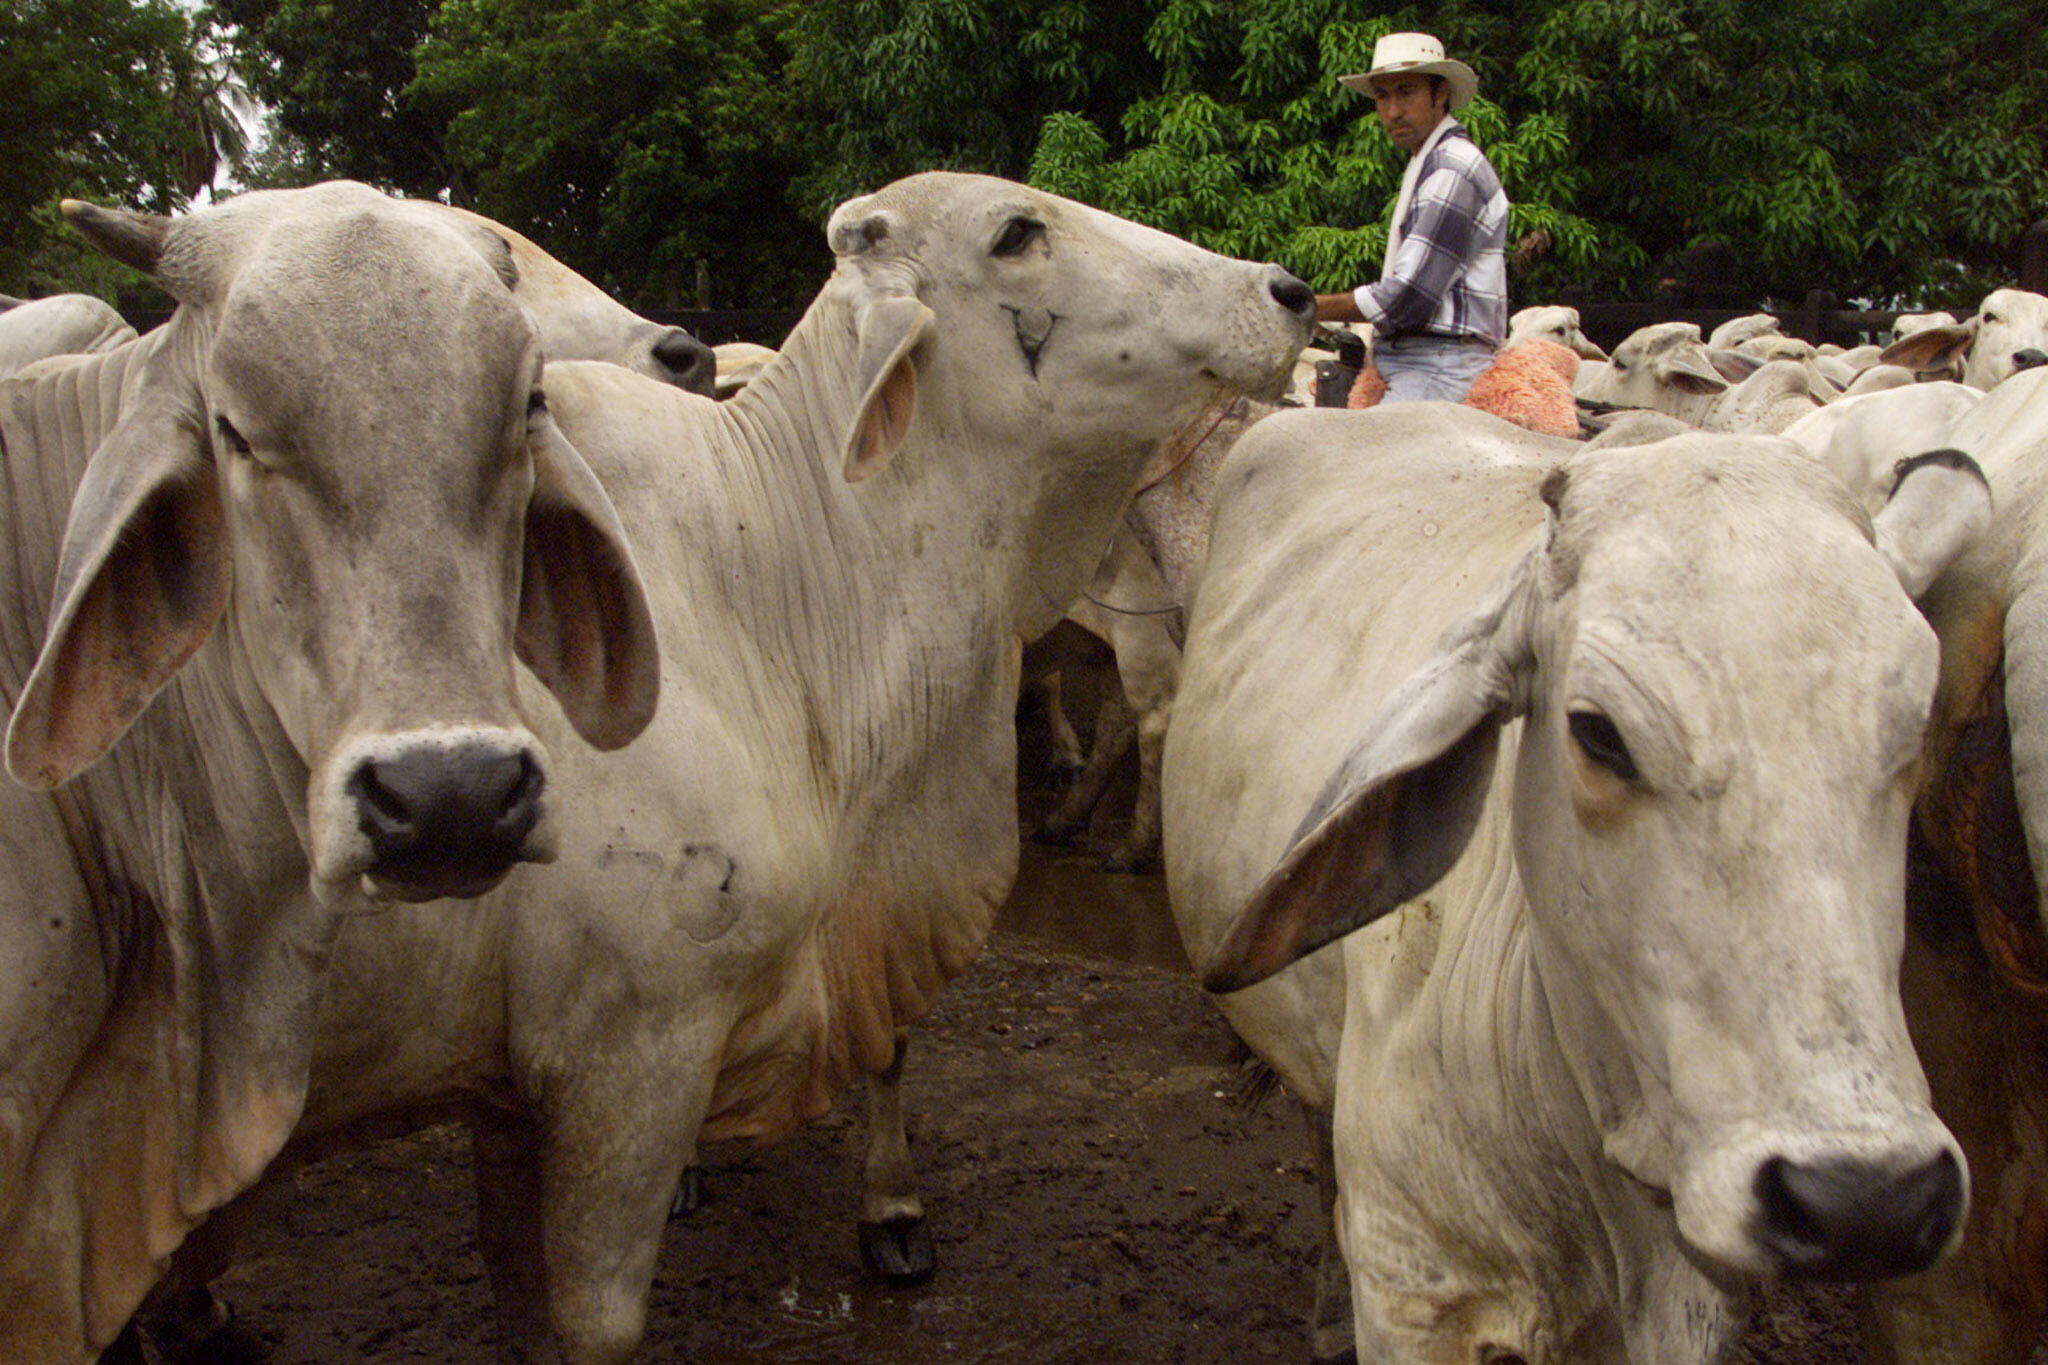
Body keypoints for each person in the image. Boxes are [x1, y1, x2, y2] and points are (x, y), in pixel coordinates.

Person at [1315, 32, 1509, 403]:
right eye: (1383, 96)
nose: (1393, 111)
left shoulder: (1453, 168)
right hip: (1413, 358)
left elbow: (1408, 296)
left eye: (1407, 92)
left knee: (1373, 459)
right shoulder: (1427, 162)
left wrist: (1313, 307)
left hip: (1438, 365)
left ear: (1440, 95)